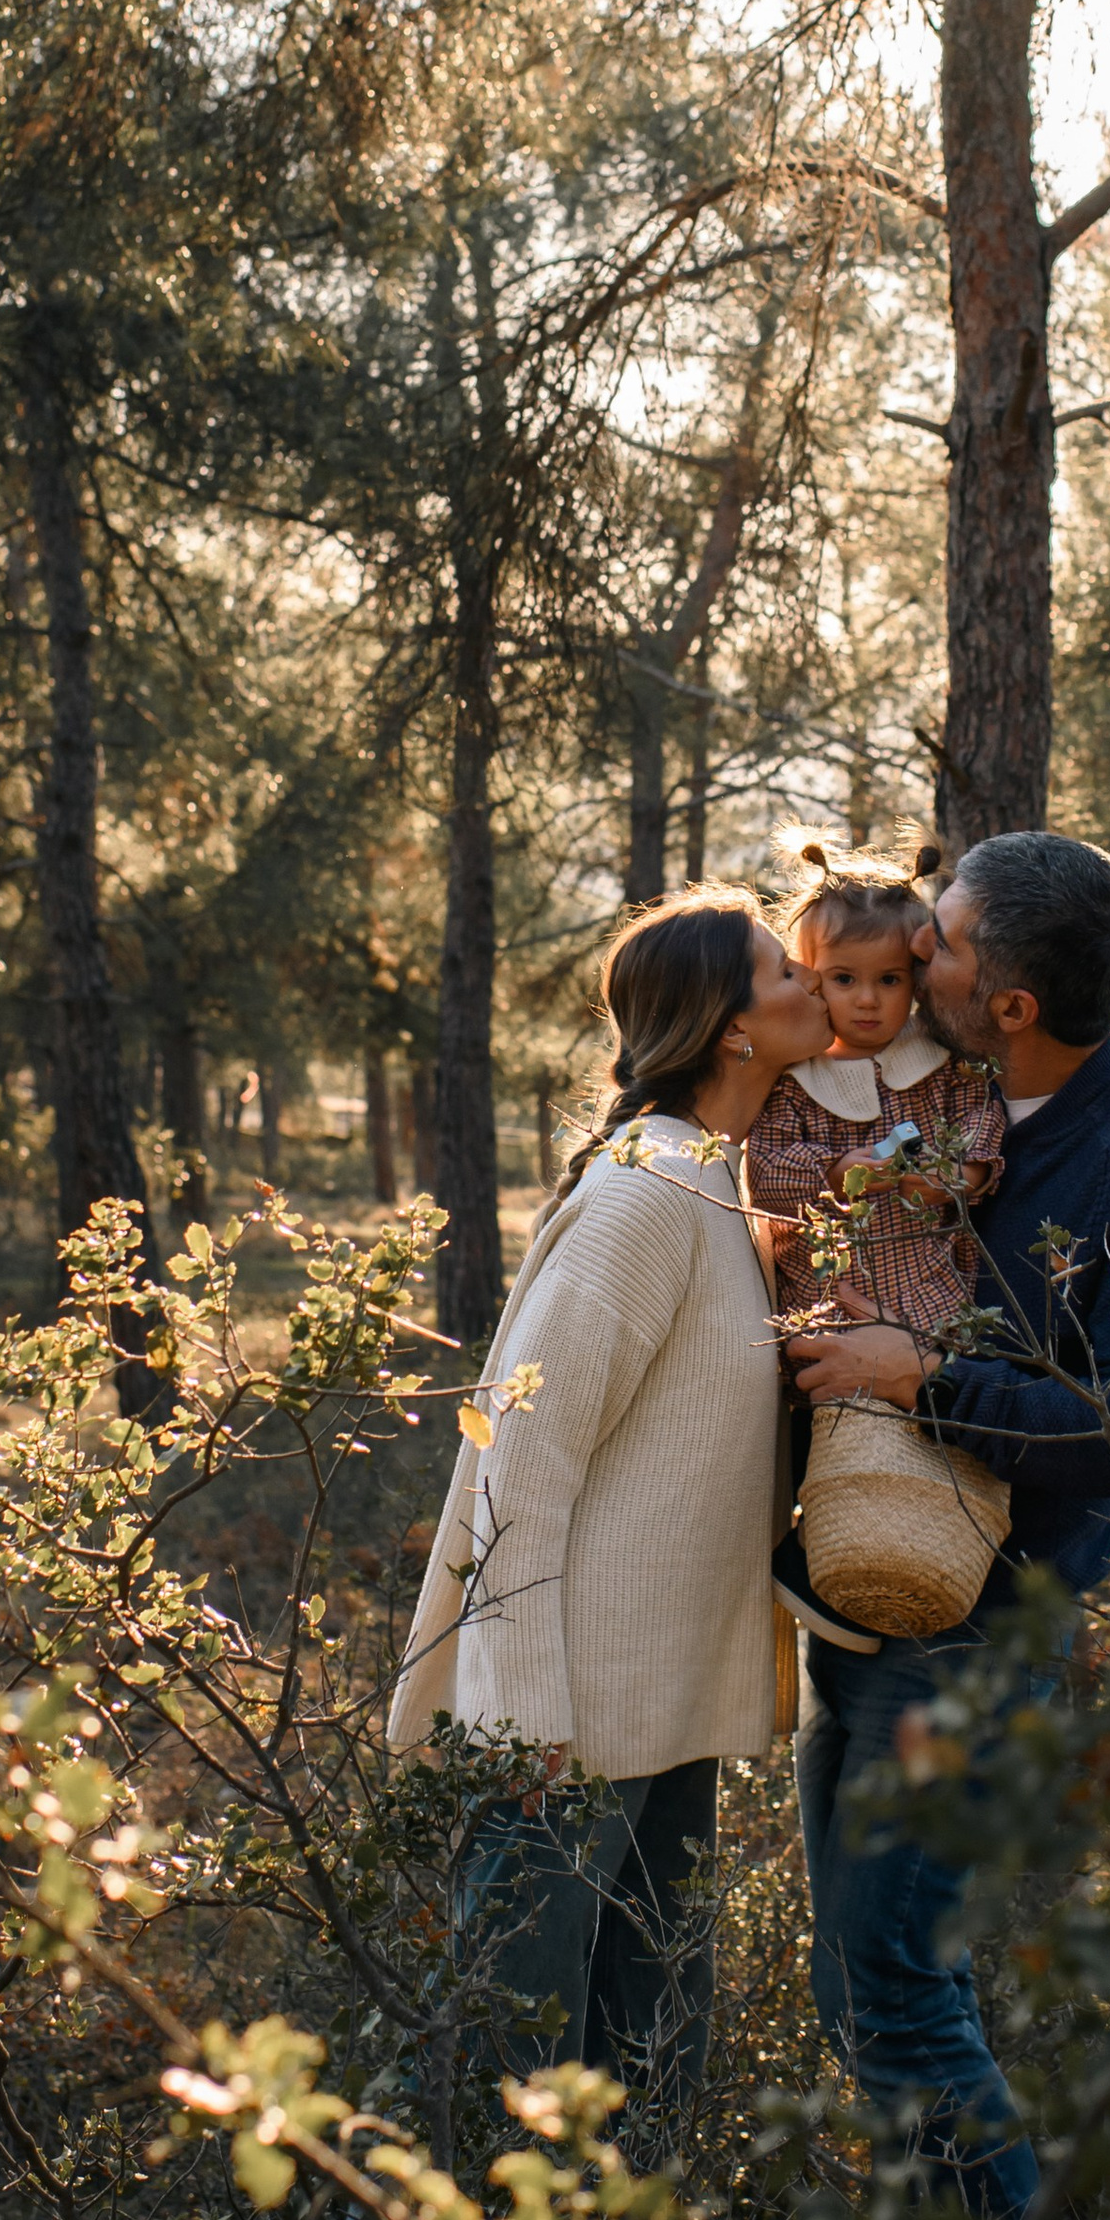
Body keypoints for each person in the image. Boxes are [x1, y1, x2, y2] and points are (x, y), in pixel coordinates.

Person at [786, 831, 1110, 2218]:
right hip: (860, 1592)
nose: (921, 948)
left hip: (983, 1635)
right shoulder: (951, 1092)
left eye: (951, 942)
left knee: (899, 1980)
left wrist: (918, 1380)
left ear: (1014, 1002)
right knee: (863, 1977)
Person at [389, 892, 833, 2095]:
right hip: (566, 1720)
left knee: (645, 2041)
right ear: (733, 1029)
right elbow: (520, 1456)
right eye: (782, 969)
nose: (813, 982)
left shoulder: (714, 1187)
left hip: (660, 1704)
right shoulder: (643, 1195)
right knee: (510, 2053)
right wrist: (524, 1710)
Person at [745, 832, 1008, 1343]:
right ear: (811, 975)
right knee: (851, 1418)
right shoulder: (796, 1077)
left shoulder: (938, 1061)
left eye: (889, 980)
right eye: (844, 979)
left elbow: (982, 1115)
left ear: (916, 978)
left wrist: (963, 1172)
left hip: (936, 1298)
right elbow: (767, 1169)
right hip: (832, 1309)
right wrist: (833, 1173)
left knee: (946, 1405)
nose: (867, 1000)